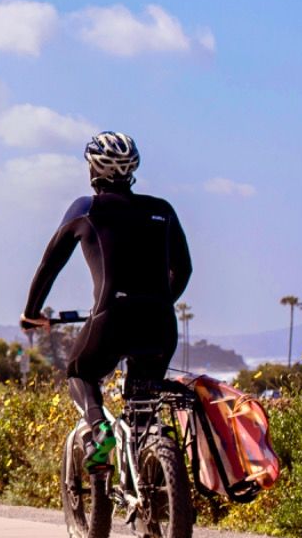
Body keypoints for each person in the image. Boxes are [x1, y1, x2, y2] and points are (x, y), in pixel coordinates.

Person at [20, 132, 192, 471]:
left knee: (80, 372)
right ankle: (154, 484)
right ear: (131, 170)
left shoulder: (86, 208)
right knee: (143, 406)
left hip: (112, 319)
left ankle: (99, 435)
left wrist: (31, 312)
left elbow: (49, 266)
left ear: (93, 169)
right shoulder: (163, 210)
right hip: (160, 323)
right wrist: (156, 301)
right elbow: (183, 270)